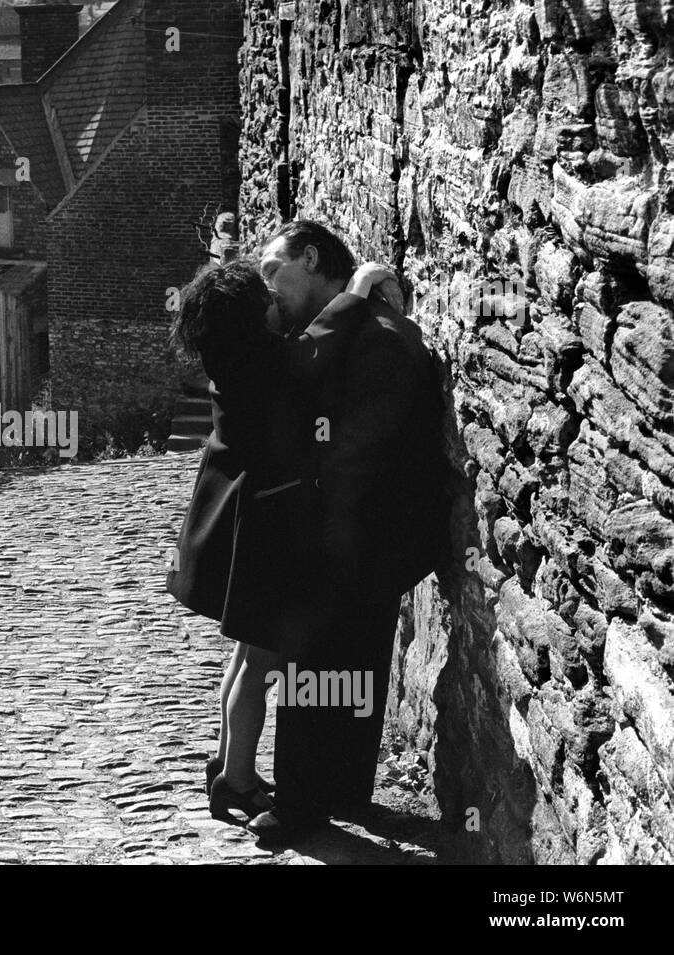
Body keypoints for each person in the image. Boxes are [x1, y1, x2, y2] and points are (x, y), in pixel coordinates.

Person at [165, 254, 405, 824]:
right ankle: (240, 781)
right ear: (250, 320)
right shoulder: (265, 365)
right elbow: (311, 353)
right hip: (267, 536)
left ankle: (227, 767)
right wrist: (358, 289)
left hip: (252, 527)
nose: (277, 301)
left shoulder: (230, 358)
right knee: (262, 661)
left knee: (247, 653)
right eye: (266, 300)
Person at [243, 220, 447, 843]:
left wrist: (314, 511)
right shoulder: (342, 326)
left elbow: (359, 446)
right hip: (361, 533)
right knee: (351, 660)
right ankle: (343, 788)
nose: (266, 287)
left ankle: (303, 804)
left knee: (315, 667)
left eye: (274, 271)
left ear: (312, 259)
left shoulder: (377, 337)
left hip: (358, 533)